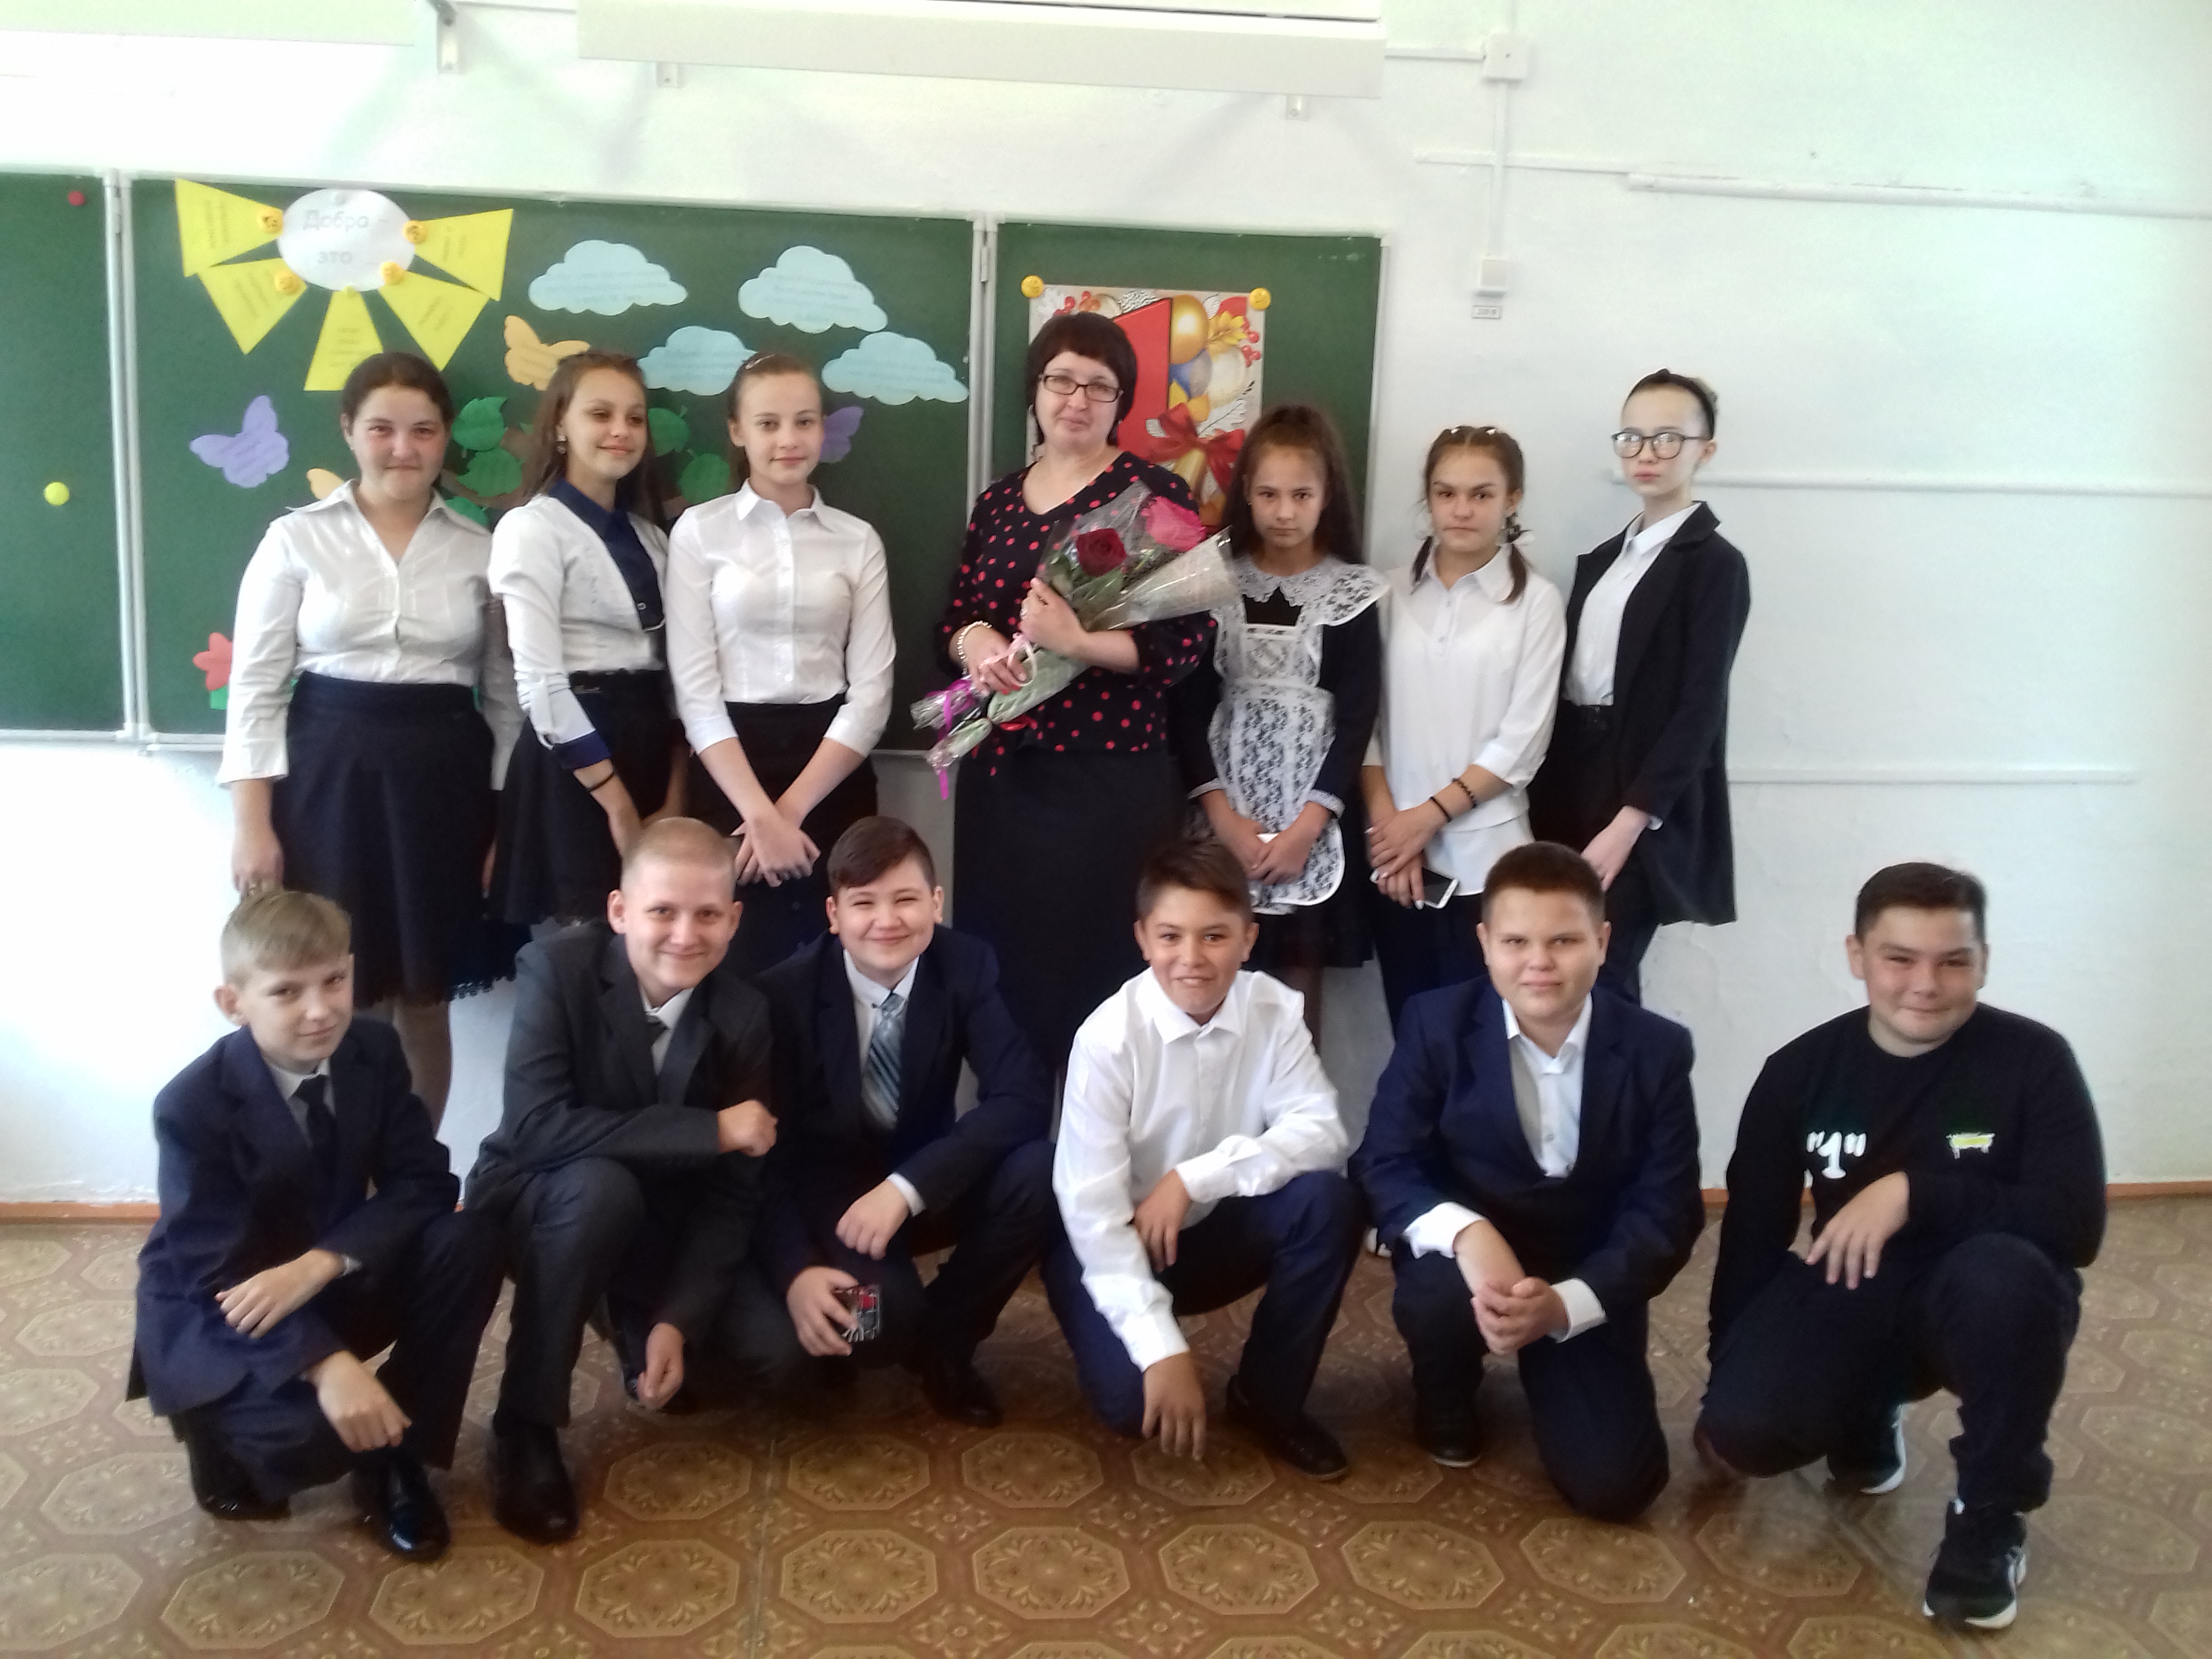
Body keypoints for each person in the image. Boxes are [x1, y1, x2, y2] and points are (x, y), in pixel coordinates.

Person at [1697, 863, 2106, 1632]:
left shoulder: (2035, 1060)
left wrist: (1915, 1191)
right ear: (1857, 956)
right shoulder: (1799, 1072)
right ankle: (1865, 1410)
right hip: (1858, 1285)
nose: (1925, 984)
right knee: (1746, 1429)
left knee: (2007, 1281)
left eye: (1953, 961)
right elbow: (1752, 1236)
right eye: (1900, 959)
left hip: (1987, 1295)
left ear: (1983, 962)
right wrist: (1726, 1372)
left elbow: (2076, 1227)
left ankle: (1989, 1519)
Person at [129, 888, 500, 1561]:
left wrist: (320, 1265)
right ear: (233, 1003)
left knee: (469, 1239)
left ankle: (397, 1458)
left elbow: (424, 1182)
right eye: (286, 991)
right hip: (222, 1302)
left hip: (318, 1270)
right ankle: (216, 1434)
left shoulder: (373, 1050)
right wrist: (326, 1365)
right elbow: (215, 1272)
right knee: (315, 1439)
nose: (321, 1009)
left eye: (334, 980)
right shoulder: (192, 1105)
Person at [1351, 842, 1702, 1521]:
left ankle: (1557, 1356)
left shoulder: (1657, 1049)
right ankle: (1447, 1389)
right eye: (1516, 941)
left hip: (1588, 1266)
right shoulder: (1435, 1024)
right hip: (1473, 1257)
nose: (1539, 962)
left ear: (1602, 942)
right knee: (1434, 1296)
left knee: (1618, 1488)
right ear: (1485, 944)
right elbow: (1383, 1162)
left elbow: (1667, 1211)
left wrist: (1566, 1304)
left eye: (1564, 940)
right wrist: (1468, 1234)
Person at [218, 351, 521, 1126]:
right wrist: (252, 823)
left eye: (423, 431)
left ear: (445, 437)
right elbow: (254, 687)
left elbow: (505, 699)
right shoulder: (295, 539)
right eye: (382, 428)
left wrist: (503, 823)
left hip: (443, 791)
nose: (403, 449)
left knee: (423, 994)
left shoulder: (482, 548)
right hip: (327, 786)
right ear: (349, 429)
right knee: (335, 986)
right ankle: (345, 1174)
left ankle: (415, 1176)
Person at [464, 818, 779, 1544]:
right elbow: (536, 1128)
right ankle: (524, 1424)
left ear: (734, 921)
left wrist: (678, 1317)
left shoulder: (743, 1014)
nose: (684, 935)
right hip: (538, 1195)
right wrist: (708, 1130)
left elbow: (734, 1193)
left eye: (707, 915)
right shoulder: (555, 970)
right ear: (619, 911)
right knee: (602, 1191)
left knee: (765, 1358)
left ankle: (633, 1313)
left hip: (660, 1219)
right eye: (662, 911)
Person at [935, 310, 1214, 1064]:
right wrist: (974, 643)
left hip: (1109, 784)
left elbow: (1187, 643)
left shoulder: (1154, 495)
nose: (1077, 399)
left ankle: (1103, 1138)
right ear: (1035, 390)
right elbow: (953, 619)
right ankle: (1017, 1132)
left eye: (1099, 386)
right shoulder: (997, 502)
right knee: (1006, 991)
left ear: (1121, 401)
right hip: (1003, 781)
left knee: (1106, 992)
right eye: (1061, 380)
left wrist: (1078, 644)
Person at [1044, 836, 1364, 1479]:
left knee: (1329, 1202)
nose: (1191, 958)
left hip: (1209, 1231)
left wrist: (1192, 1179)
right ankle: (1133, 1337)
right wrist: (1161, 1348)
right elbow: (1092, 1216)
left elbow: (1323, 1133)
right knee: (1133, 1408)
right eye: (1171, 936)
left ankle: (1268, 1399)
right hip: (1114, 1244)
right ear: (1143, 939)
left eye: (1214, 936)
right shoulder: (1107, 1039)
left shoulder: (1274, 1010)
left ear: (1248, 939)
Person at [752, 816, 1055, 1426]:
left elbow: (1022, 1096)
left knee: (1041, 1170)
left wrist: (907, 1187)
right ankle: (890, 1325)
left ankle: (945, 1342)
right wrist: (795, 1267)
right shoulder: (784, 995)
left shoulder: (966, 965)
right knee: (876, 1324)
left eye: (906, 900)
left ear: (936, 904)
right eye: (864, 903)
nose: (886, 920)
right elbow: (766, 1158)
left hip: (923, 1175)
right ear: (834, 914)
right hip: (833, 1197)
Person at [666, 351, 895, 975]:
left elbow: (872, 694)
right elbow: (695, 692)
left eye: (804, 421)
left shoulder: (858, 540)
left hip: (833, 768)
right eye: (768, 424)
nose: (788, 440)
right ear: (737, 431)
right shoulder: (699, 532)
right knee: (733, 963)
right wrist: (758, 815)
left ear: (822, 428)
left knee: (836, 967)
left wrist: (787, 814)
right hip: (730, 766)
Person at [1527, 370, 1750, 1004]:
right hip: (1570, 777)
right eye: (1632, 438)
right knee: (1556, 971)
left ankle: (1619, 1075)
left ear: (1705, 449)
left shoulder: (1715, 564)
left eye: (1667, 438)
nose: (1646, 453)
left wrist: (1630, 822)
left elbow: (1700, 710)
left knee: (1601, 973)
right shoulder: (1603, 559)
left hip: (1639, 796)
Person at [1174, 403, 1385, 1038]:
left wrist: (1305, 830)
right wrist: (1224, 821)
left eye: (1301, 495)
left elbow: (1356, 722)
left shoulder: (1353, 594)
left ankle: (1294, 1106)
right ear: (1245, 492)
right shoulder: (1212, 584)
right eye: (1268, 494)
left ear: (1327, 496)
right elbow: (1186, 708)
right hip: (1223, 817)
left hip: (1310, 828)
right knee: (1211, 983)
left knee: (1295, 1007)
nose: (1284, 512)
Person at [1364, 426, 1567, 1029]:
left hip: (1488, 861)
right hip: (1396, 862)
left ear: (1512, 500)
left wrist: (1423, 821)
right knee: (1412, 1037)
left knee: (1483, 1042)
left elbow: (1522, 743)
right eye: (1446, 492)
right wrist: (1391, 834)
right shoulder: (1387, 591)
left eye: (1481, 494)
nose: (1461, 509)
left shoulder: (1536, 603)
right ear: (1428, 498)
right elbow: (1363, 723)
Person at [491, 350, 687, 928]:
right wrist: (617, 805)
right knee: (580, 946)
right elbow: (540, 685)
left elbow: (678, 677)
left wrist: (676, 794)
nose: (621, 430)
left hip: (649, 744)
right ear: (560, 425)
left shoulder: (655, 539)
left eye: (635, 418)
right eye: (600, 414)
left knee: (654, 940)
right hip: (574, 761)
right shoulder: (532, 528)